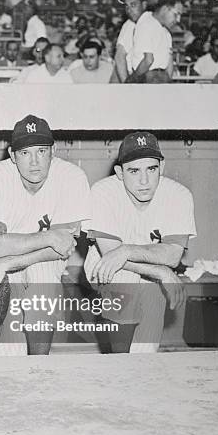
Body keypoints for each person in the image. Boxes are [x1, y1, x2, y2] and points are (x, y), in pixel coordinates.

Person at [0, 115, 90, 356]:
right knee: (10, 352)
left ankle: (40, 366)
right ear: (12, 154)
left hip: (36, 262)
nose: (34, 162)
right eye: (25, 153)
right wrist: (48, 237)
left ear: (54, 151)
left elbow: (63, 246)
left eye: (41, 151)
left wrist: (7, 263)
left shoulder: (72, 177)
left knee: (44, 284)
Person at [84, 132, 196, 353]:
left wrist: (126, 250)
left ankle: (136, 369)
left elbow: (172, 255)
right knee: (123, 279)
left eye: (151, 169)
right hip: (103, 265)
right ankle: (120, 360)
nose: (144, 181)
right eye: (134, 171)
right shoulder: (103, 192)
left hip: (147, 268)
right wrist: (162, 272)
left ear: (161, 168)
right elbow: (111, 255)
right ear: (120, 172)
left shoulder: (179, 195)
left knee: (146, 349)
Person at [127, 1, 178, 83]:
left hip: (150, 78)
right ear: (164, 9)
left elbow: (149, 61)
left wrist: (132, 79)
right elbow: (168, 66)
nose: (178, 20)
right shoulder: (148, 25)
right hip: (157, 78)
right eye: (176, 15)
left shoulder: (164, 31)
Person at [113, 0, 146, 83]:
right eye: (127, 7)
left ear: (144, 5)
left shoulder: (151, 23)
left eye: (133, 5)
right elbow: (119, 57)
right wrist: (126, 84)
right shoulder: (130, 25)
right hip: (128, 74)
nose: (129, 10)